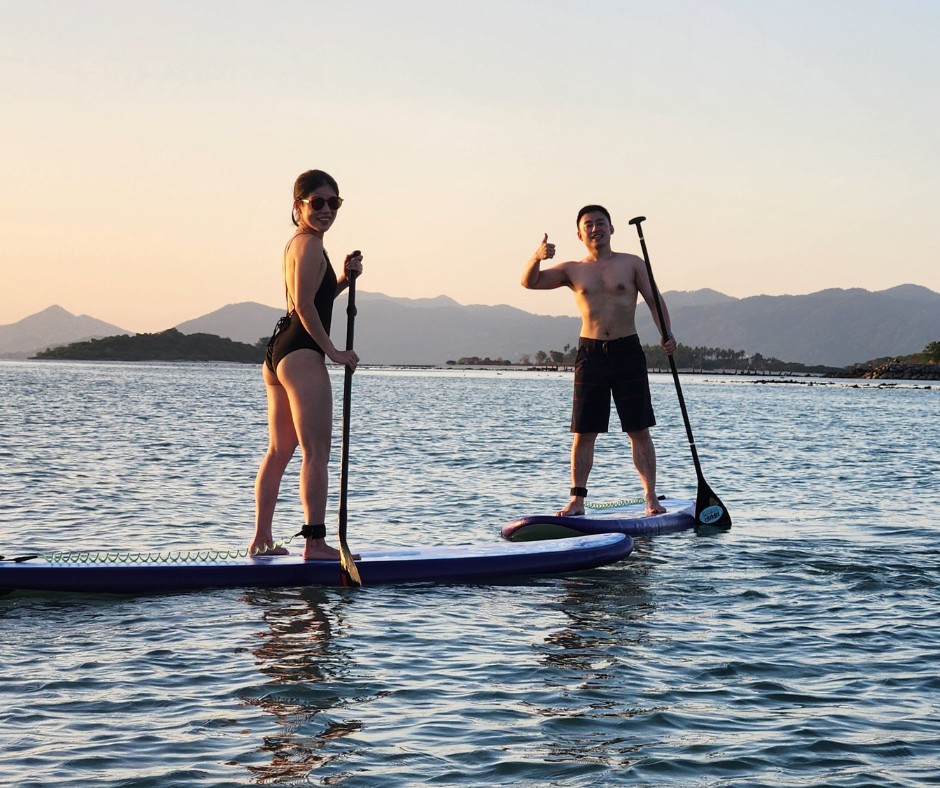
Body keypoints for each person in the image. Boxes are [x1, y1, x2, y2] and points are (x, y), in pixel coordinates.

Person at [521, 204, 677, 516]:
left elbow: (654, 300)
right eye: (589, 224)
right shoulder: (572, 270)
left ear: (611, 228)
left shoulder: (632, 264)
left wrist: (667, 334)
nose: (596, 228)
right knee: (584, 431)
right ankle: (577, 500)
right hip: (590, 354)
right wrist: (537, 257)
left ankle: (650, 497)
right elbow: (530, 282)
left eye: (601, 223)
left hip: (627, 351)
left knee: (638, 428)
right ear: (580, 234)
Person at [249, 169, 363, 559]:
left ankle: (262, 540)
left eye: (334, 202)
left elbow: (315, 297)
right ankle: (315, 542)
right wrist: (333, 351)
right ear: (298, 205)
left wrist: (344, 279)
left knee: (279, 450)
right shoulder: (311, 245)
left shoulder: (297, 244)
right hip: (301, 352)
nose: (326, 209)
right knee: (316, 452)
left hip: (279, 351)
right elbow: (303, 304)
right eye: (317, 202)